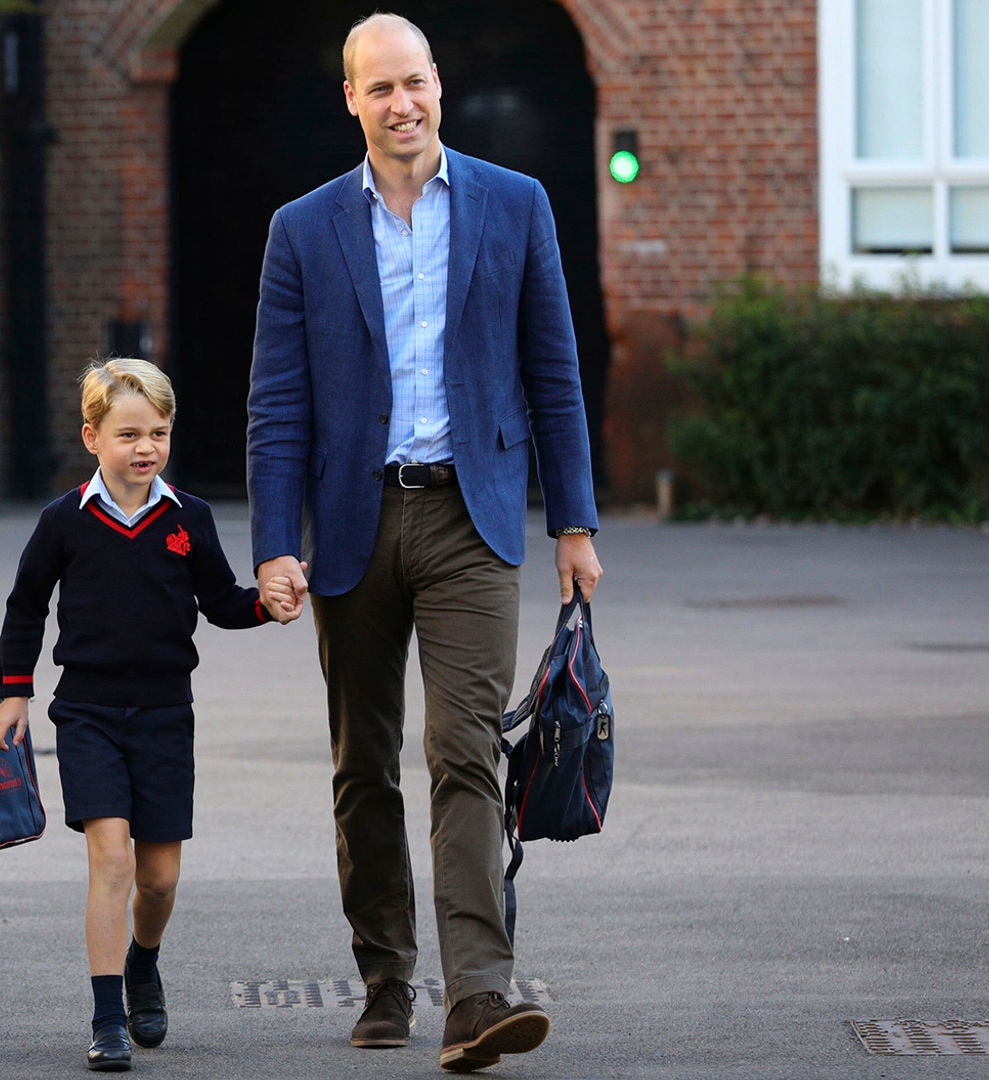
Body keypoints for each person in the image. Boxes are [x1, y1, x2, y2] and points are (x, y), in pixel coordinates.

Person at [246, 11, 605, 1073]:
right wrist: (275, 544)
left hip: (472, 516)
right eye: (379, 89)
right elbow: (277, 405)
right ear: (349, 100)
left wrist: (573, 522)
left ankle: (479, 997)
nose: (401, 105)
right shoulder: (301, 229)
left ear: (438, 85)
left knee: (466, 753)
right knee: (364, 766)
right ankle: (386, 975)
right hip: (352, 522)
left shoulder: (515, 203)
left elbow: (555, 370)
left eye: (416, 83)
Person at [0, 358, 298, 1072]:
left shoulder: (191, 519)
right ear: (92, 437)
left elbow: (221, 603)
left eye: (158, 432)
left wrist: (264, 605)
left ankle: (143, 963)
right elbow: (26, 606)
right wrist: (14, 690)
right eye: (128, 434)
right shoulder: (65, 520)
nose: (145, 447)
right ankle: (105, 1019)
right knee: (113, 860)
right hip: (86, 713)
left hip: (163, 715)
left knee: (158, 880)